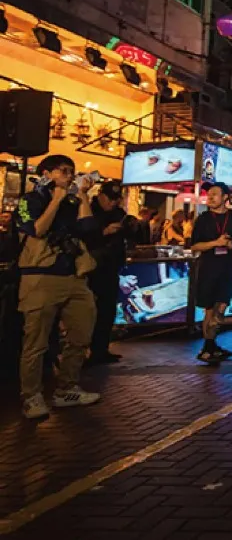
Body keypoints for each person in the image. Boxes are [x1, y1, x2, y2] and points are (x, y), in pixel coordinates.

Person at [15, 155, 100, 419]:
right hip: (40, 277)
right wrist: (56, 199)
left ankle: (67, 388)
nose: (70, 176)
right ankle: (31, 396)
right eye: (64, 171)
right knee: (36, 342)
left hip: (74, 276)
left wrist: (83, 195)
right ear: (47, 173)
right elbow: (38, 229)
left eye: (72, 172)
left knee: (81, 334)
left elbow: (88, 228)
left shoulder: (74, 201)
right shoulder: (30, 201)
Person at [189, 183, 232, 366]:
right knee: (208, 310)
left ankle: (211, 346)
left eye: (215, 194)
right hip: (208, 268)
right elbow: (195, 246)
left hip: (228, 267)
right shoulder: (203, 219)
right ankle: (208, 347)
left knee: (220, 309)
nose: (210, 197)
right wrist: (216, 242)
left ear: (225, 197)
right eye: (209, 194)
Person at [87, 181, 134, 364]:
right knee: (90, 312)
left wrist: (130, 227)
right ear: (100, 194)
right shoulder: (88, 210)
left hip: (111, 267)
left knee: (107, 310)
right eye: (110, 198)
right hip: (92, 268)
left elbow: (128, 237)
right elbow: (83, 237)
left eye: (116, 199)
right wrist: (104, 232)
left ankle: (101, 349)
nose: (112, 203)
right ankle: (86, 351)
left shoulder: (118, 214)